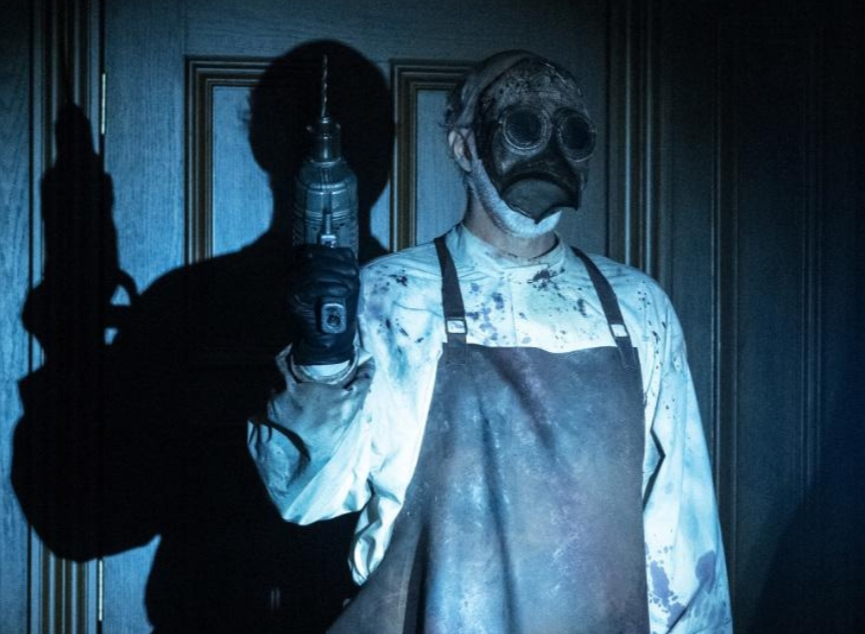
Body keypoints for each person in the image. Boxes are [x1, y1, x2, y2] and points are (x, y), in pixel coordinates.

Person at [248, 49, 732, 633]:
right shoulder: (389, 298)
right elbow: (304, 498)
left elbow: (683, 532)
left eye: (572, 135)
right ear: (463, 145)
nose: (549, 153)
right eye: (523, 127)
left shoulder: (638, 308)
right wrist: (319, 363)